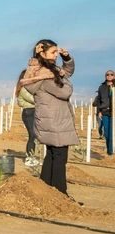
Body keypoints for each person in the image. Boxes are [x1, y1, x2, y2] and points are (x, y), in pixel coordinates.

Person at [21, 39, 80, 200]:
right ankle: (61, 195)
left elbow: (65, 72)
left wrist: (66, 59)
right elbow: (64, 91)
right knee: (60, 157)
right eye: (53, 52)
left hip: (50, 119)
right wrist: (67, 83)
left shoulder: (43, 71)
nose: (56, 55)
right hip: (55, 120)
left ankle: (46, 191)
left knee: (52, 154)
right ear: (42, 53)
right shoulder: (45, 75)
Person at [15, 70, 39, 166]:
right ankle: (29, 158)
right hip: (29, 113)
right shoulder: (24, 89)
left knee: (34, 136)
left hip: (32, 112)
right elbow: (34, 100)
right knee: (32, 135)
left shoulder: (27, 89)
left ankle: (31, 156)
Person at [92, 69, 114, 156]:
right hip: (105, 113)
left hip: (114, 113)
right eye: (107, 74)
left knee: (112, 134)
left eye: (111, 74)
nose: (109, 76)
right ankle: (109, 151)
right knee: (107, 134)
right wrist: (99, 112)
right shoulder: (101, 87)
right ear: (105, 76)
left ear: (114, 76)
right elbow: (98, 100)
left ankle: (111, 152)